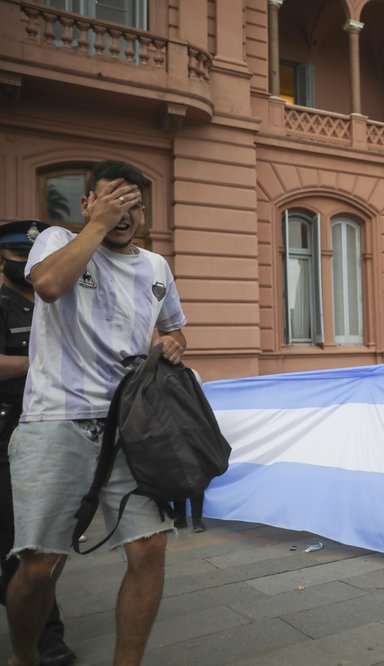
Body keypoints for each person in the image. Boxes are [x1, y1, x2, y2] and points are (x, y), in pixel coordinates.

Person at [5, 160, 187, 666]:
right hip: (55, 422)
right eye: (111, 199)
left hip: (132, 427)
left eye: (132, 203)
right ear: (87, 204)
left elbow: (174, 328)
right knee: (40, 566)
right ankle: (25, 657)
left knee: (149, 551)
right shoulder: (57, 241)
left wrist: (171, 344)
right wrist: (97, 226)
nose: (123, 212)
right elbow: (47, 285)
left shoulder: (156, 268)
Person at [0, 220, 76, 666]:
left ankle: (47, 636)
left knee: (34, 541)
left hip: (47, 428)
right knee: (18, 540)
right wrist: (40, 362)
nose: (25, 267)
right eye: (17, 259)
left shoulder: (56, 302)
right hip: (5, 429)